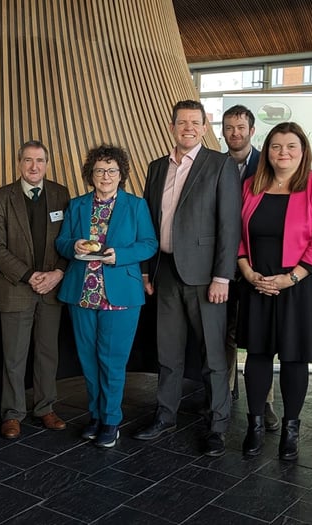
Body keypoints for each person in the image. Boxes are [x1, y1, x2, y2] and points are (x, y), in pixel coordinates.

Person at [133, 99, 241, 457]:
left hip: (205, 277)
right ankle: (165, 415)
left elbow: (229, 226)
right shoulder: (155, 167)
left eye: (195, 122)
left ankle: (218, 424)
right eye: (182, 122)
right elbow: (149, 222)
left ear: (204, 127)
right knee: (168, 352)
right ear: (172, 126)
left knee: (212, 356)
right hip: (164, 273)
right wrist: (147, 269)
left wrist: (222, 277)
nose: (188, 128)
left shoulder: (220, 165)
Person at [237, 121, 312, 460]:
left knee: (294, 359)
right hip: (256, 284)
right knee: (258, 355)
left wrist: (290, 278)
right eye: (276, 146)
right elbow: (237, 232)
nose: (283, 152)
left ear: (303, 150)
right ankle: (254, 426)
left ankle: (291, 432)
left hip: (300, 286)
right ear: (267, 151)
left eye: (291, 146)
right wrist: (247, 271)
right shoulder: (252, 185)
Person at [56, 144, 157, 448]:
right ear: (91, 174)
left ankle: (111, 420)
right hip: (82, 293)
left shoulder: (136, 206)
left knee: (112, 361)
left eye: (112, 170)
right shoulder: (77, 205)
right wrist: (73, 245)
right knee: (88, 360)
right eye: (100, 170)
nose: (106, 175)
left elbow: (149, 244)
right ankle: (96, 416)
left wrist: (120, 255)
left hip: (120, 295)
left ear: (121, 174)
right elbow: (61, 242)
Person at [0, 140, 70, 440]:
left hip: (51, 289)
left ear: (47, 163)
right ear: (19, 163)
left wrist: (57, 273)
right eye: (28, 160)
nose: (34, 166)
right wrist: (29, 275)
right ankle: (12, 413)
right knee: (14, 356)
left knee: (48, 353)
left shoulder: (61, 194)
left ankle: (45, 407)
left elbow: (69, 241)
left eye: (40, 161)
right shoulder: (1, 197)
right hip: (15, 287)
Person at [222, 104, 278, 431]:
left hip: (258, 266)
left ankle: (264, 401)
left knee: (260, 337)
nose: (235, 133)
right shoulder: (214, 165)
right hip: (223, 268)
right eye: (229, 127)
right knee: (224, 334)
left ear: (252, 130)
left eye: (241, 127)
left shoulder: (267, 164)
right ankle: (224, 393)